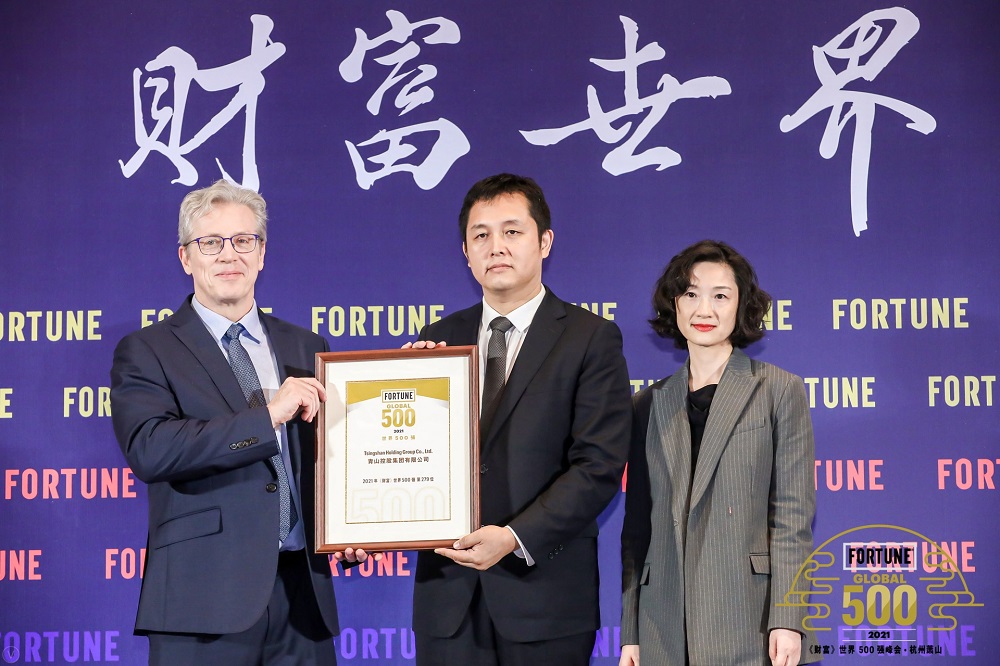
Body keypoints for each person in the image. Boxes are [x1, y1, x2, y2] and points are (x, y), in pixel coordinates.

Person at [110, 179, 368, 665]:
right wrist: (267, 418)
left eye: (243, 240)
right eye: (211, 242)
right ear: (186, 257)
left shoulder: (306, 346)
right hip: (202, 599)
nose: (229, 254)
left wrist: (350, 526)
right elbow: (151, 449)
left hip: (302, 599)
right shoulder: (147, 350)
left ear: (262, 253)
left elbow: (328, 458)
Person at [406, 173, 632, 665]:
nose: (496, 247)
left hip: (546, 600)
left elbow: (598, 467)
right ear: (466, 252)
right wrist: (400, 391)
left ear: (544, 242)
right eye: (481, 235)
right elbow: (412, 459)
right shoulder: (437, 340)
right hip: (448, 602)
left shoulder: (590, 338)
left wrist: (514, 537)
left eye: (512, 231)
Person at [620, 240, 818, 666]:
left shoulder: (779, 390)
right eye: (691, 294)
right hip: (663, 626)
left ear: (741, 305)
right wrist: (631, 633)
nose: (704, 309)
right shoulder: (647, 405)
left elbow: (792, 518)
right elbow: (636, 528)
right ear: (674, 304)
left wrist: (788, 619)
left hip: (752, 618)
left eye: (720, 296)